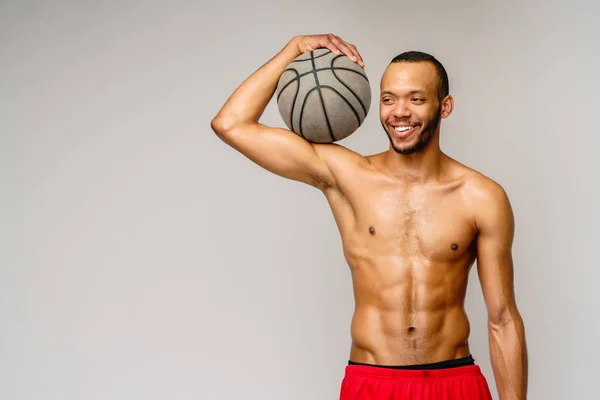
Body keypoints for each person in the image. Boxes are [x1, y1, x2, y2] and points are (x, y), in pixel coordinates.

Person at [210, 33, 528, 400]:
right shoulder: (347, 176)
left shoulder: (482, 196)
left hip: (454, 381)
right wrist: (294, 48)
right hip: (372, 383)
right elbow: (231, 123)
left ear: (445, 106)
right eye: (389, 99)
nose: (399, 112)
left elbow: (502, 319)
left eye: (417, 99)